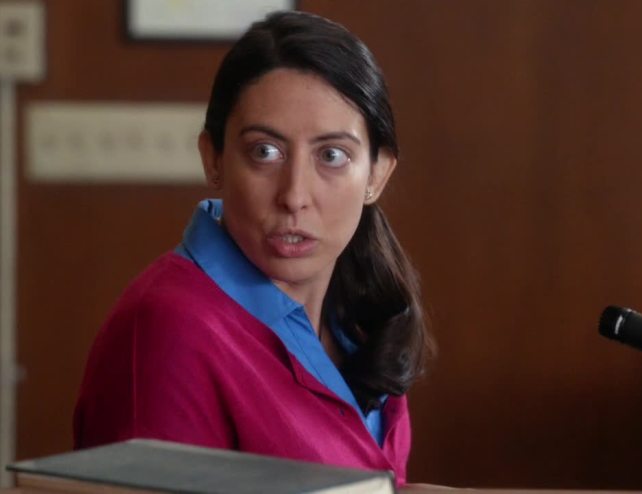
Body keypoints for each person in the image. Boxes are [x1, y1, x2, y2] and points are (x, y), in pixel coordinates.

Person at [72, 10, 433, 485]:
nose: (294, 195)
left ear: (377, 174)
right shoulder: (166, 328)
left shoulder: (362, 316)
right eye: (265, 152)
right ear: (214, 159)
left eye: (332, 155)